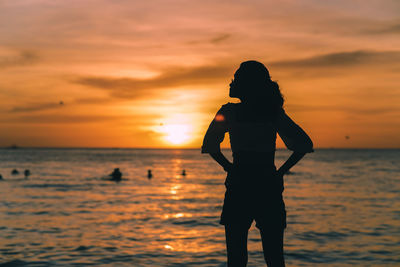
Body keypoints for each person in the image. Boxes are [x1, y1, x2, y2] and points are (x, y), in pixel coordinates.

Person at [201, 61, 313, 267]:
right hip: (267, 184)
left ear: (246, 84)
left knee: (236, 259)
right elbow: (304, 145)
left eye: (235, 78)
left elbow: (209, 145)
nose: (231, 83)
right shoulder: (272, 113)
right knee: (274, 258)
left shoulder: (230, 112)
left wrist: (229, 167)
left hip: (240, 184)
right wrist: (280, 172)